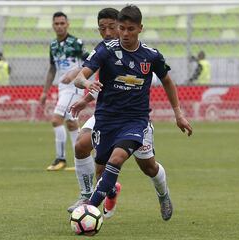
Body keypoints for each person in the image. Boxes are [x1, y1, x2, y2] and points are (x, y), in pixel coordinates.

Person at [70, 5, 193, 221]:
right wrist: (86, 84)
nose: (125, 34)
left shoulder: (151, 56)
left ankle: (91, 209)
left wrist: (178, 114)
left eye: (130, 29)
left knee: (145, 166)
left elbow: (167, 80)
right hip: (106, 119)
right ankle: (105, 196)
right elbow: (80, 77)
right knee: (101, 170)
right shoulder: (105, 50)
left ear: (140, 29)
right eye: (122, 28)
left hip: (136, 120)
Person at [39, 11, 88, 171]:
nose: (59, 26)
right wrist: (45, 92)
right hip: (62, 88)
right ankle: (82, 159)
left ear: (68, 24)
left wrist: (73, 74)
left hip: (74, 87)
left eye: (62, 23)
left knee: (56, 119)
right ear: (53, 25)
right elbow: (52, 69)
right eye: (56, 24)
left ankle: (60, 159)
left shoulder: (76, 42)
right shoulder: (53, 45)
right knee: (72, 123)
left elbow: (90, 62)